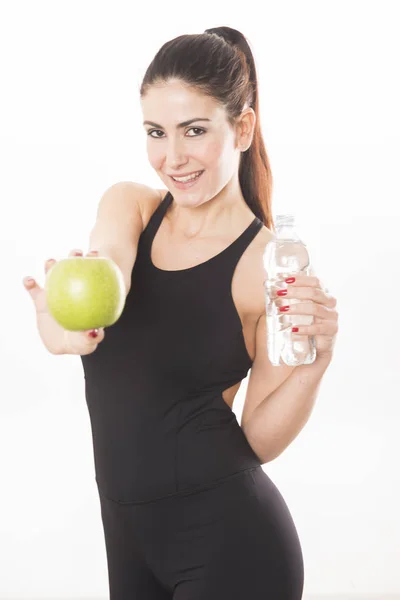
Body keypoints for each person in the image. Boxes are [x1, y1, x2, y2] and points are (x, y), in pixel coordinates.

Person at [24, 26, 306, 599]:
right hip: (128, 543)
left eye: (194, 131)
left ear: (242, 128)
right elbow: (110, 276)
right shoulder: (129, 205)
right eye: (157, 133)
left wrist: (316, 364)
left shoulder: (269, 266)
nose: (172, 158)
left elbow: (258, 438)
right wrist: (65, 323)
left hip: (232, 548)